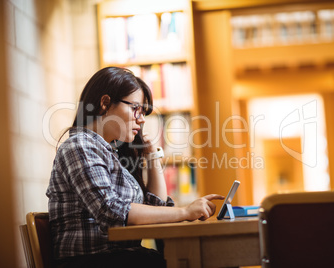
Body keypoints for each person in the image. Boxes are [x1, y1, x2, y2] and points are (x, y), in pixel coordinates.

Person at [46, 66, 224, 268]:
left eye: (143, 112)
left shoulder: (109, 152)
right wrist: (185, 212)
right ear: (105, 103)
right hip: (89, 261)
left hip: (119, 258)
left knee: (199, 259)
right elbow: (111, 212)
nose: (141, 119)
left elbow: (156, 209)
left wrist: (152, 155)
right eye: (135, 108)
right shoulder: (80, 146)